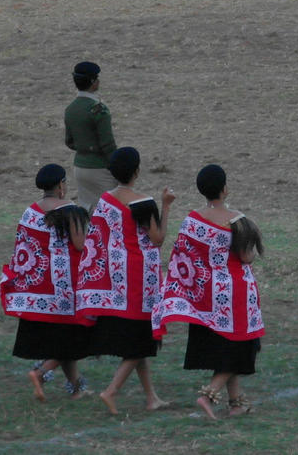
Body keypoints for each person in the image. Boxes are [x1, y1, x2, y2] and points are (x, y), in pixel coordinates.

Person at [152, 165, 265, 420]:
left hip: (207, 298)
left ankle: (236, 402)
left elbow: (183, 258)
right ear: (225, 188)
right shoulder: (237, 219)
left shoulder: (192, 220)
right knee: (239, 347)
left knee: (225, 347)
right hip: (236, 295)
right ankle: (209, 394)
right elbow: (247, 258)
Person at [75, 147, 173, 415]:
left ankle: (152, 397)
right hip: (141, 280)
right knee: (140, 341)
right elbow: (158, 239)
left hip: (118, 280)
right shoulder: (143, 202)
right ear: (137, 171)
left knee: (136, 342)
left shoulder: (105, 200)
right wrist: (166, 206)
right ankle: (111, 391)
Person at [0, 164, 93, 401]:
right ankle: (41, 372)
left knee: (61, 339)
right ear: (61, 185)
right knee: (73, 337)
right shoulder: (71, 211)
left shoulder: (30, 212)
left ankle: (77, 388)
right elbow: (81, 245)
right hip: (65, 288)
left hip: (39, 289)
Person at [64, 61, 117, 210]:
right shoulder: (99, 110)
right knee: (111, 211)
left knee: (88, 211)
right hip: (100, 167)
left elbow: (69, 141)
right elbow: (108, 145)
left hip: (80, 167)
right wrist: (118, 167)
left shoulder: (71, 109)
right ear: (93, 82)